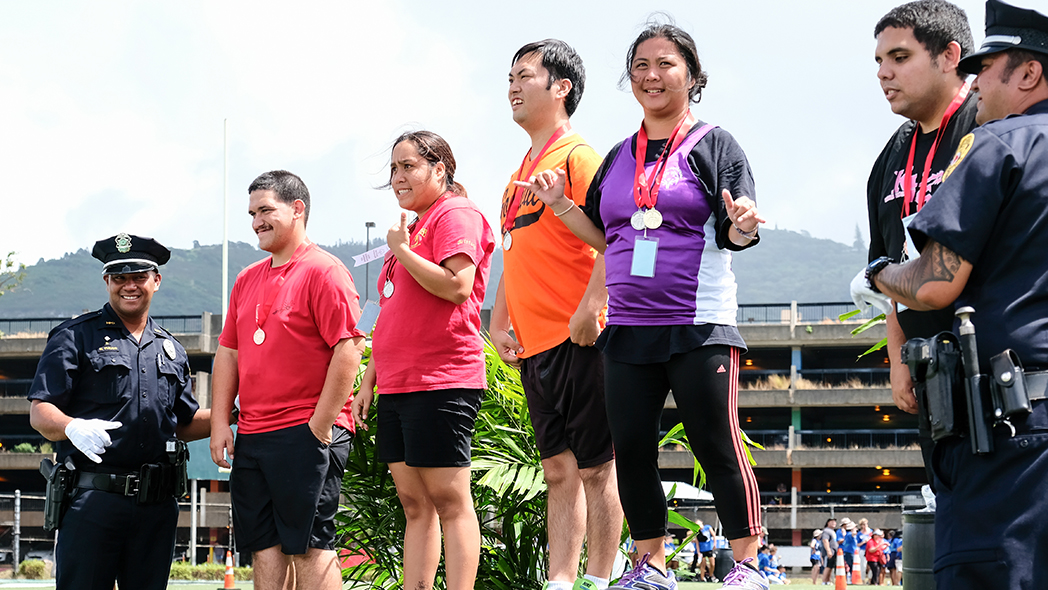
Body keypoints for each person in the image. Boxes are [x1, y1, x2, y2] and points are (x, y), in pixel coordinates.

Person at [519, 18, 766, 590]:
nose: (652, 76)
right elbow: (609, 237)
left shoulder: (715, 144)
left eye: (665, 65)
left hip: (699, 323)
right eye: (640, 67)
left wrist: (744, 226)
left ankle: (749, 563)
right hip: (628, 329)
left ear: (693, 75)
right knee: (630, 449)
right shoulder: (618, 154)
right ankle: (650, 565)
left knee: (716, 440)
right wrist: (559, 205)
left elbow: (738, 227)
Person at [862, 2, 1048, 587]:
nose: (976, 79)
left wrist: (875, 278)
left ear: (1027, 74)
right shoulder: (888, 160)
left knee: (986, 569)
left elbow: (935, 280)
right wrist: (897, 353)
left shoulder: (996, 141)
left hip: (1000, 415)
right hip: (966, 393)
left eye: (986, 67)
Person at [491, 38, 622, 590]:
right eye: (511, 79)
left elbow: (620, 235)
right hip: (534, 344)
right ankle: (562, 579)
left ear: (561, 86)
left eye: (525, 76)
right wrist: (497, 321)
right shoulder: (520, 172)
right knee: (557, 471)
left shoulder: (579, 157)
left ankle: (598, 576)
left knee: (597, 467)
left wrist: (593, 305)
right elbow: (514, 252)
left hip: (581, 338)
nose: (513, 87)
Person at [351, 131, 495, 590]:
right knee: (415, 505)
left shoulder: (456, 213)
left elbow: (457, 285)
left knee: (451, 502)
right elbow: (392, 314)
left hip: (441, 379)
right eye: (394, 169)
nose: (398, 177)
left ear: (440, 168)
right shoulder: (411, 230)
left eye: (408, 166)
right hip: (397, 383)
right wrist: (369, 381)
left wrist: (403, 251)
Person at [209, 170, 367, 590]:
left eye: (266, 210)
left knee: (312, 545)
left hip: (306, 430)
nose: (256, 221)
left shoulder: (324, 271)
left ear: (297, 209)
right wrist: (220, 422)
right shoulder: (246, 279)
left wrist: (319, 426)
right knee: (264, 546)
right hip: (255, 435)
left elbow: (349, 349)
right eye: (252, 213)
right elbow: (229, 353)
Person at [27, 234, 211, 590]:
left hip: (156, 506)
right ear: (106, 282)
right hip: (94, 500)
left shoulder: (172, 349)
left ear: (156, 280)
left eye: (138, 276)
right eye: (119, 278)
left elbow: (183, 424)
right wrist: (71, 427)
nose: (129, 286)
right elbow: (40, 412)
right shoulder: (74, 337)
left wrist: (233, 413)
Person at [854, 0, 978, 496]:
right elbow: (887, 261)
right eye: (879, 62)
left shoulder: (985, 128)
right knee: (952, 507)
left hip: (996, 358)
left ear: (949, 55)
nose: (884, 73)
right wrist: (897, 352)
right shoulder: (892, 152)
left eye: (900, 58)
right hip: (931, 368)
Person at [820, 518, 839, 585]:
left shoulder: (833, 531)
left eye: (834, 522)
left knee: (830, 567)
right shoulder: (826, 531)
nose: (834, 523)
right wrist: (828, 551)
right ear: (828, 523)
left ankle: (828, 581)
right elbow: (825, 540)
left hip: (834, 551)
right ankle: (824, 581)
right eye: (832, 522)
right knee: (827, 566)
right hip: (829, 552)